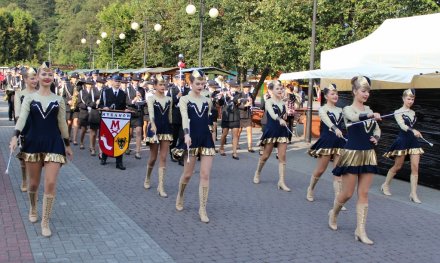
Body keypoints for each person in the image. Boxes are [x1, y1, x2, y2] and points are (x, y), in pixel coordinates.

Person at [9, 62, 73, 237]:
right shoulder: (29, 98)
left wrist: (67, 144)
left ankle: (45, 221)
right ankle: (33, 206)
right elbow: (22, 118)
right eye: (43, 74)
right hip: (33, 143)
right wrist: (15, 136)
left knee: (50, 183)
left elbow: (62, 124)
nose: (46, 77)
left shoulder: (59, 99)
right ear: (37, 77)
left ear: (53, 78)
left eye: (50, 74)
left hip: (54, 143)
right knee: (34, 184)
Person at [329, 76, 381, 245]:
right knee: (347, 194)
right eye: (363, 91)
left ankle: (360, 230)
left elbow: (377, 129)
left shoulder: (369, 109)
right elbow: (355, 117)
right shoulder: (347, 109)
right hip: (352, 154)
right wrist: (370, 115)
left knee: (364, 193)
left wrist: (376, 137)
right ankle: (334, 213)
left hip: (367, 154)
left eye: (368, 91)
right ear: (355, 91)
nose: (366, 94)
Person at [173, 70, 216, 223]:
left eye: (202, 83)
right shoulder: (184, 100)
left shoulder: (207, 100)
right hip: (191, 139)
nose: (200, 86)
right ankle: (181, 194)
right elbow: (185, 118)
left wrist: (212, 132)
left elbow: (208, 119)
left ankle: (202, 208)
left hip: (206, 139)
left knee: (205, 175)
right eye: (197, 83)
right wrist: (186, 134)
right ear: (190, 84)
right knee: (188, 174)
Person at [306, 84, 347, 209]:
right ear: (326, 96)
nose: (335, 96)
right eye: (332, 94)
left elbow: (348, 123)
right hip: (327, 141)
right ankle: (310, 188)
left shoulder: (341, 110)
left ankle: (338, 199)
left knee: (338, 172)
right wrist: (335, 128)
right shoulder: (322, 109)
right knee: (321, 169)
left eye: (336, 93)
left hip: (339, 142)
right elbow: (327, 121)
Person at [381, 89, 424, 203]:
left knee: (415, 167)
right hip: (403, 141)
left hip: (413, 142)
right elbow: (402, 125)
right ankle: (385, 185)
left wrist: (416, 132)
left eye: (412, 99)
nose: (410, 101)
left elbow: (411, 127)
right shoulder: (397, 112)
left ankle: (413, 193)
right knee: (398, 166)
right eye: (409, 99)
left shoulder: (413, 113)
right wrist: (413, 130)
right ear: (403, 98)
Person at [253, 81, 291, 192]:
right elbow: (273, 114)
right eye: (277, 88)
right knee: (265, 155)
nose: (280, 90)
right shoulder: (268, 102)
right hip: (271, 130)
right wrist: (280, 119)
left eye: (281, 88)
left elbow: (285, 116)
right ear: (272, 90)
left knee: (282, 156)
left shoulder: (284, 103)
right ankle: (258, 172)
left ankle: (282, 181)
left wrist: (287, 116)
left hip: (282, 131)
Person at [143, 75, 173, 197]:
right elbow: (151, 112)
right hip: (154, 128)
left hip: (166, 128)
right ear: (155, 86)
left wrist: (172, 129)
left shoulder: (169, 99)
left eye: (164, 84)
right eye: (160, 84)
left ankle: (161, 186)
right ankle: (147, 177)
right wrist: (153, 124)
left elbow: (170, 116)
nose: (163, 87)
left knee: (164, 157)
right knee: (153, 157)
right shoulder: (151, 98)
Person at [14, 67, 38, 192]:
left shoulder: (42, 93)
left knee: (36, 159)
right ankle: (24, 179)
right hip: (25, 130)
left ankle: (33, 184)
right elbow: (18, 114)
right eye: (32, 78)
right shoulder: (19, 94)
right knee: (24, 159)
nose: (35, 80)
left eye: (36, 77)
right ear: (25, 79)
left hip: (39, 130)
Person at [98, 75, 128, 170]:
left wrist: (126, 110)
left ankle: (119, 162)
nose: (118, 83)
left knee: (119, 138)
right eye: (116, 81)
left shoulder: (123, 94)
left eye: (119, 81)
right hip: (107, 119)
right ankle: (104, 157)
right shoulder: (105, 92)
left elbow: (123, 106)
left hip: (118, 120)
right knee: (107, 137)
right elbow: (100, 104)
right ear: (111, 81)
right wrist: (104, 107)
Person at [168, 74, 190, 165]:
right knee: (174, 137)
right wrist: (177, 97)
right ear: (176, 80)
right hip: (175, 117)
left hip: (184, 117)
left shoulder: (188, 90)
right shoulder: (172, 90)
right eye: (181, 79)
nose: (182, 81)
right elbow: (169, 102)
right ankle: (172, 153)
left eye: (183, 79)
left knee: (182, 138)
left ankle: (180, 158)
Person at [218, 81, 241, 159]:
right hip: (226, 116)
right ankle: (221, 147)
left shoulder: (239, 94)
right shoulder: (225, 94)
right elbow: (220, 104)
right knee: (224, 133)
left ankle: (234, 152)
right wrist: (220, 97)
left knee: (235, 135)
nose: (236, 88)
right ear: (230, 87)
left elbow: (237, 103)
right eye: (234, 87)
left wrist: (231, 96)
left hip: (235, 116)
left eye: (236, 87)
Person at [238, 82, 255, 152]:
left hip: (248, 115)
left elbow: (252, 104)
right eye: (246, 87)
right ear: (243, 88)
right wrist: (246, 105)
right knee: (239, 131)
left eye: (249, 87)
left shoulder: (251, 95)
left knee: (249, 131)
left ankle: (250, 147)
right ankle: (236, 143)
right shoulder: (239, 95)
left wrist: (251, 105)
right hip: (241, 115)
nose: (248, 89)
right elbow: (237, 105)